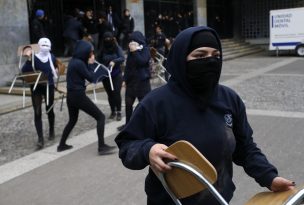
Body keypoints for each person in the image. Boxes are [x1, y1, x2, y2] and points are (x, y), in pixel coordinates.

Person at [115, 26, 295, 204]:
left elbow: (245, 147)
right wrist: (148, 150)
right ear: (180, 59)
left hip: (218, 199)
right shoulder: (155, 103)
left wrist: (269, 177)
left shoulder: (229, 99)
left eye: (216, 56)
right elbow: (127, 145)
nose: (210, 61)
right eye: (200, 56)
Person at [57, 40, 115, 155]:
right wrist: (92, 64)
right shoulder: (79, 63)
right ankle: (101, 147)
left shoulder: (74, 61)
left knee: (72, 120)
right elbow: (92, 78)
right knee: (100, 117)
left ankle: (61, 145)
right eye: (90, 52)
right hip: (78, 96)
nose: (92, 54)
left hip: (71, 96)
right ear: (85, 52)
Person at [22, 38, 58, 149]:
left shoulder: (51, 56)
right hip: (36, 87)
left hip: (49, 86)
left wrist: (56, 70)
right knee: (37, 112)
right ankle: (40, 139)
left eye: (47, 46)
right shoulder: (33, 57)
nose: (45, 48)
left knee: (49, 109)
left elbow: (55, 66)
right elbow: (24, 70)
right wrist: (28, 59)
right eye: (43, 46)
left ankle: (51, 130)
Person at [117, 31, 151, 131]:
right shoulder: (131, 51)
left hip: (142, 83)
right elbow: (128, 67)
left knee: (144, 105)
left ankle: (147, 125)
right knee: (128, 105)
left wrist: (135, 51)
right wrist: (124, 79)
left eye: (133, 40)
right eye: (130, 41)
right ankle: (128, 125)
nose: (131, 43)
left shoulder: (145, 49)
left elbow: (142, 62)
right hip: (131, 82)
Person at [98, 32, 125, 121]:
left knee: (116, 93)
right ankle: (113, 111)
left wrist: (114, 61)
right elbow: (99, 59)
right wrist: (101, 65)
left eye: (109, 39)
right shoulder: (102, 48)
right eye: (106, 39)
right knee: (110, 94)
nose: (108, 41)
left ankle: (119, 112)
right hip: (106, 75)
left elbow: (122, 57)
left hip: (116, 74)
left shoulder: (117, 47)